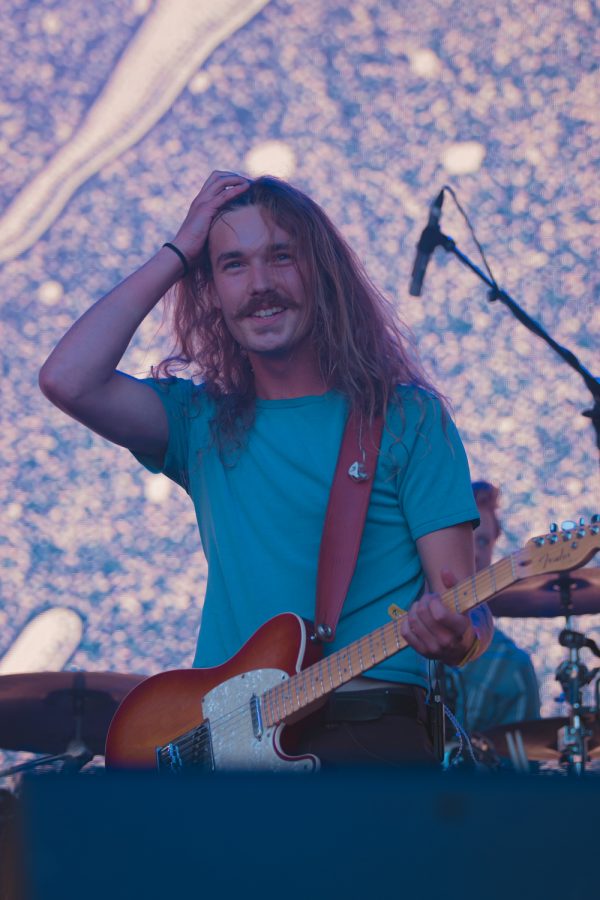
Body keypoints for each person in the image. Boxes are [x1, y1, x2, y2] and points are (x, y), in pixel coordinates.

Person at [39, 171, 493, 768]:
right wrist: (179, 251)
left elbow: (465, 604)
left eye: (281, 257)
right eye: (233, 265)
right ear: (210, 291)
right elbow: (66, 379)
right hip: (224, 746)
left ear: (321, 273)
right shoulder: (199, 421)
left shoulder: (408, 418)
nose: (260, 285)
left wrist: (457, 637)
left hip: (368, 734)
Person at [446, 481, 541, 735]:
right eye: (462, 538)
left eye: (483, 542)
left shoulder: (511, 667)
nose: (474, 554)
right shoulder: (393, 626)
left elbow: (520, 757)